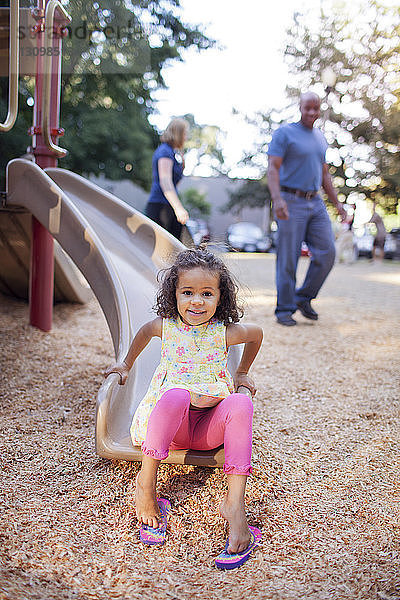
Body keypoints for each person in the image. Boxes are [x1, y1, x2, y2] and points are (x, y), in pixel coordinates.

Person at [104, 249, 263, 567]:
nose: (197, 301)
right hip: (170, 429)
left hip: (206, 431)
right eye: (187, 292)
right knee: (176, 394)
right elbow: (143, 334)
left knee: (241, 403)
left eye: (207, 293)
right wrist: (125, 365)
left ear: (221, 298)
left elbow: (257, 334)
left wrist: (242, 372)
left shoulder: (223, 333)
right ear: (174, 293)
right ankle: (145, 486)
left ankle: (234, 504)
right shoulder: (165, 328)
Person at [267, 91, 347, 326]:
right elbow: (273, 168)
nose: (311, 112)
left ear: (320, 108)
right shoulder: (285, 133)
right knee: (288, 257)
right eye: (307, 108)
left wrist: (338, 204)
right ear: (300, 107)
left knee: (327, 253)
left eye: (315, 108)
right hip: (290, 199)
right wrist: (277, 199)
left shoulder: (320, 138)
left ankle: (303, 298)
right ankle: (284, 309)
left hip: (316, 201)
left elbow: (324, 174)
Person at [145, 117, 189, 239]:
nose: (186, 137)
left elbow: (174, 183)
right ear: (177, 133)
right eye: (184, 133)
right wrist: (179, 208)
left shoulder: (172, 152)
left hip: (167, 205)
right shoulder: (165, 151)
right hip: (160, 206)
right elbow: (165, 181)